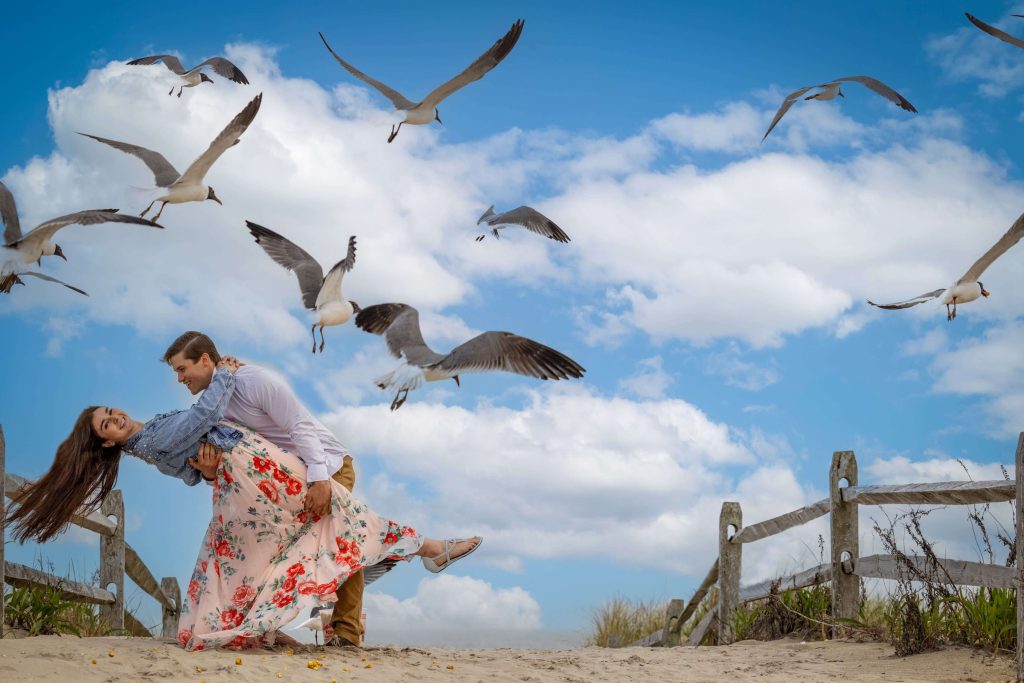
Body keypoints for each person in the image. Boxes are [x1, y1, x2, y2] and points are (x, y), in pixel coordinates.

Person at [4, 359, 482, 651]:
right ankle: (428, 548)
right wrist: (226, 373)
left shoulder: (149, 439)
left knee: (320, 529)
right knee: (339, 516)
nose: (115, 417)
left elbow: (190, 471)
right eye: (107, 425)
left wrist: (208, 470)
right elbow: (206, 414)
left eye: (109, 412)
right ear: (107, 445)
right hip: (255, 477)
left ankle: (424, 551)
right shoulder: (151, 438)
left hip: (246, 478)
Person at [162, 330, 369, 647]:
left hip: (325, 466)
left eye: (181, 369)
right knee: (274, 547)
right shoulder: (211, 405)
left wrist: (319, 478)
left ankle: (346, 632)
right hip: (281, 479)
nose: (179, 379)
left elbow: (298, 424)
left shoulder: (253, 380)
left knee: (339, 540)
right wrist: (208, 472)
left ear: (204, 360)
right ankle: (267, 626)